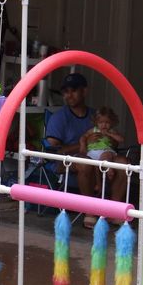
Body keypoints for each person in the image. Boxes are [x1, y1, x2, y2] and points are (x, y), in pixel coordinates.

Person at [45, 72, 127, 228]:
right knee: (85, 163)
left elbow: (113, 143)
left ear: (84, 91)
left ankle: (114, 211)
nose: (69, 95)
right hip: (68, 161)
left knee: (123, 162)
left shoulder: (96, 116)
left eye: (74, 90)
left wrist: (109, 139)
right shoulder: (59, 118)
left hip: (101, 155)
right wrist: (84, 144)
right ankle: (90, 212)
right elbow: (54, 151)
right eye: (65, 91)